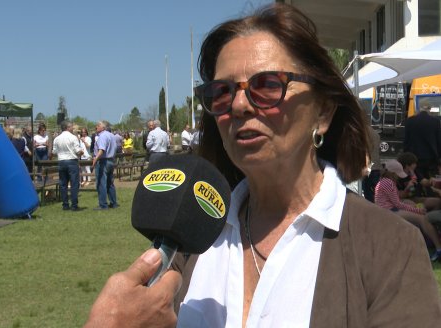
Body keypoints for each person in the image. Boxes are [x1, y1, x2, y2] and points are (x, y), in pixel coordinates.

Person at [85, 3, 441, 327]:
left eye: (268, 85)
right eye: (221, 92)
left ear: (323, 112)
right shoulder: (192, 238)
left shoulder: (390, 244)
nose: (238, 105)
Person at [375, 159, 441, 260]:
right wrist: (417, 210)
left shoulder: (384, 180)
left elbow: (397, 200)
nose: (398, 176)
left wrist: (412, 206)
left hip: (387, 209)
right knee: (422, 218)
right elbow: (398, 204)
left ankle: (428, 241)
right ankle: (438, 248)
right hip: (388, 211)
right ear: (393, 173)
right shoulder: (389, 182)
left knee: (414, 207)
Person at [404, 98, 441, 179]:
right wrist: (438, 159)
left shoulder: (410, 121)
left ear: (418, 108)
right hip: (430, 158)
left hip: (414, 158)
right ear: (430, 109)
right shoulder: (436, 121)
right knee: (430, 180)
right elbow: (439, 142)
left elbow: (406, 141)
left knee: (416, 179)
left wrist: (405, 156)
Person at [52, 121, 83, 211]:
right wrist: (82, 152)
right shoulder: (73, 137)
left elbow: (54, 152)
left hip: (61, 161)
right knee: (74, 184)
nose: (73, 128)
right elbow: (77, 151)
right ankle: (74, 205)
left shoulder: (57, 138)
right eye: (71, 127)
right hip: (72, 161)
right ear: (67, 127)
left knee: (63, 184)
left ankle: (65, 204)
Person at [91, 121, 119, 210]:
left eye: (98, 125)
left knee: (101, 183)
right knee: (110, 183)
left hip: (103, 161)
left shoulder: (102, 136)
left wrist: (95, 160)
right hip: (111, 160)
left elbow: (101, 150)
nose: (96, 127)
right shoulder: (111, 135)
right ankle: (113, 202)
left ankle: (103, 204)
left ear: (103, 127)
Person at [361, 126, 382, 202]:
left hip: (364, 167)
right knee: (373, 195)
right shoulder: (375, 133)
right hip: (375, 166)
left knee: (362, 193)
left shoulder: (360, 131)